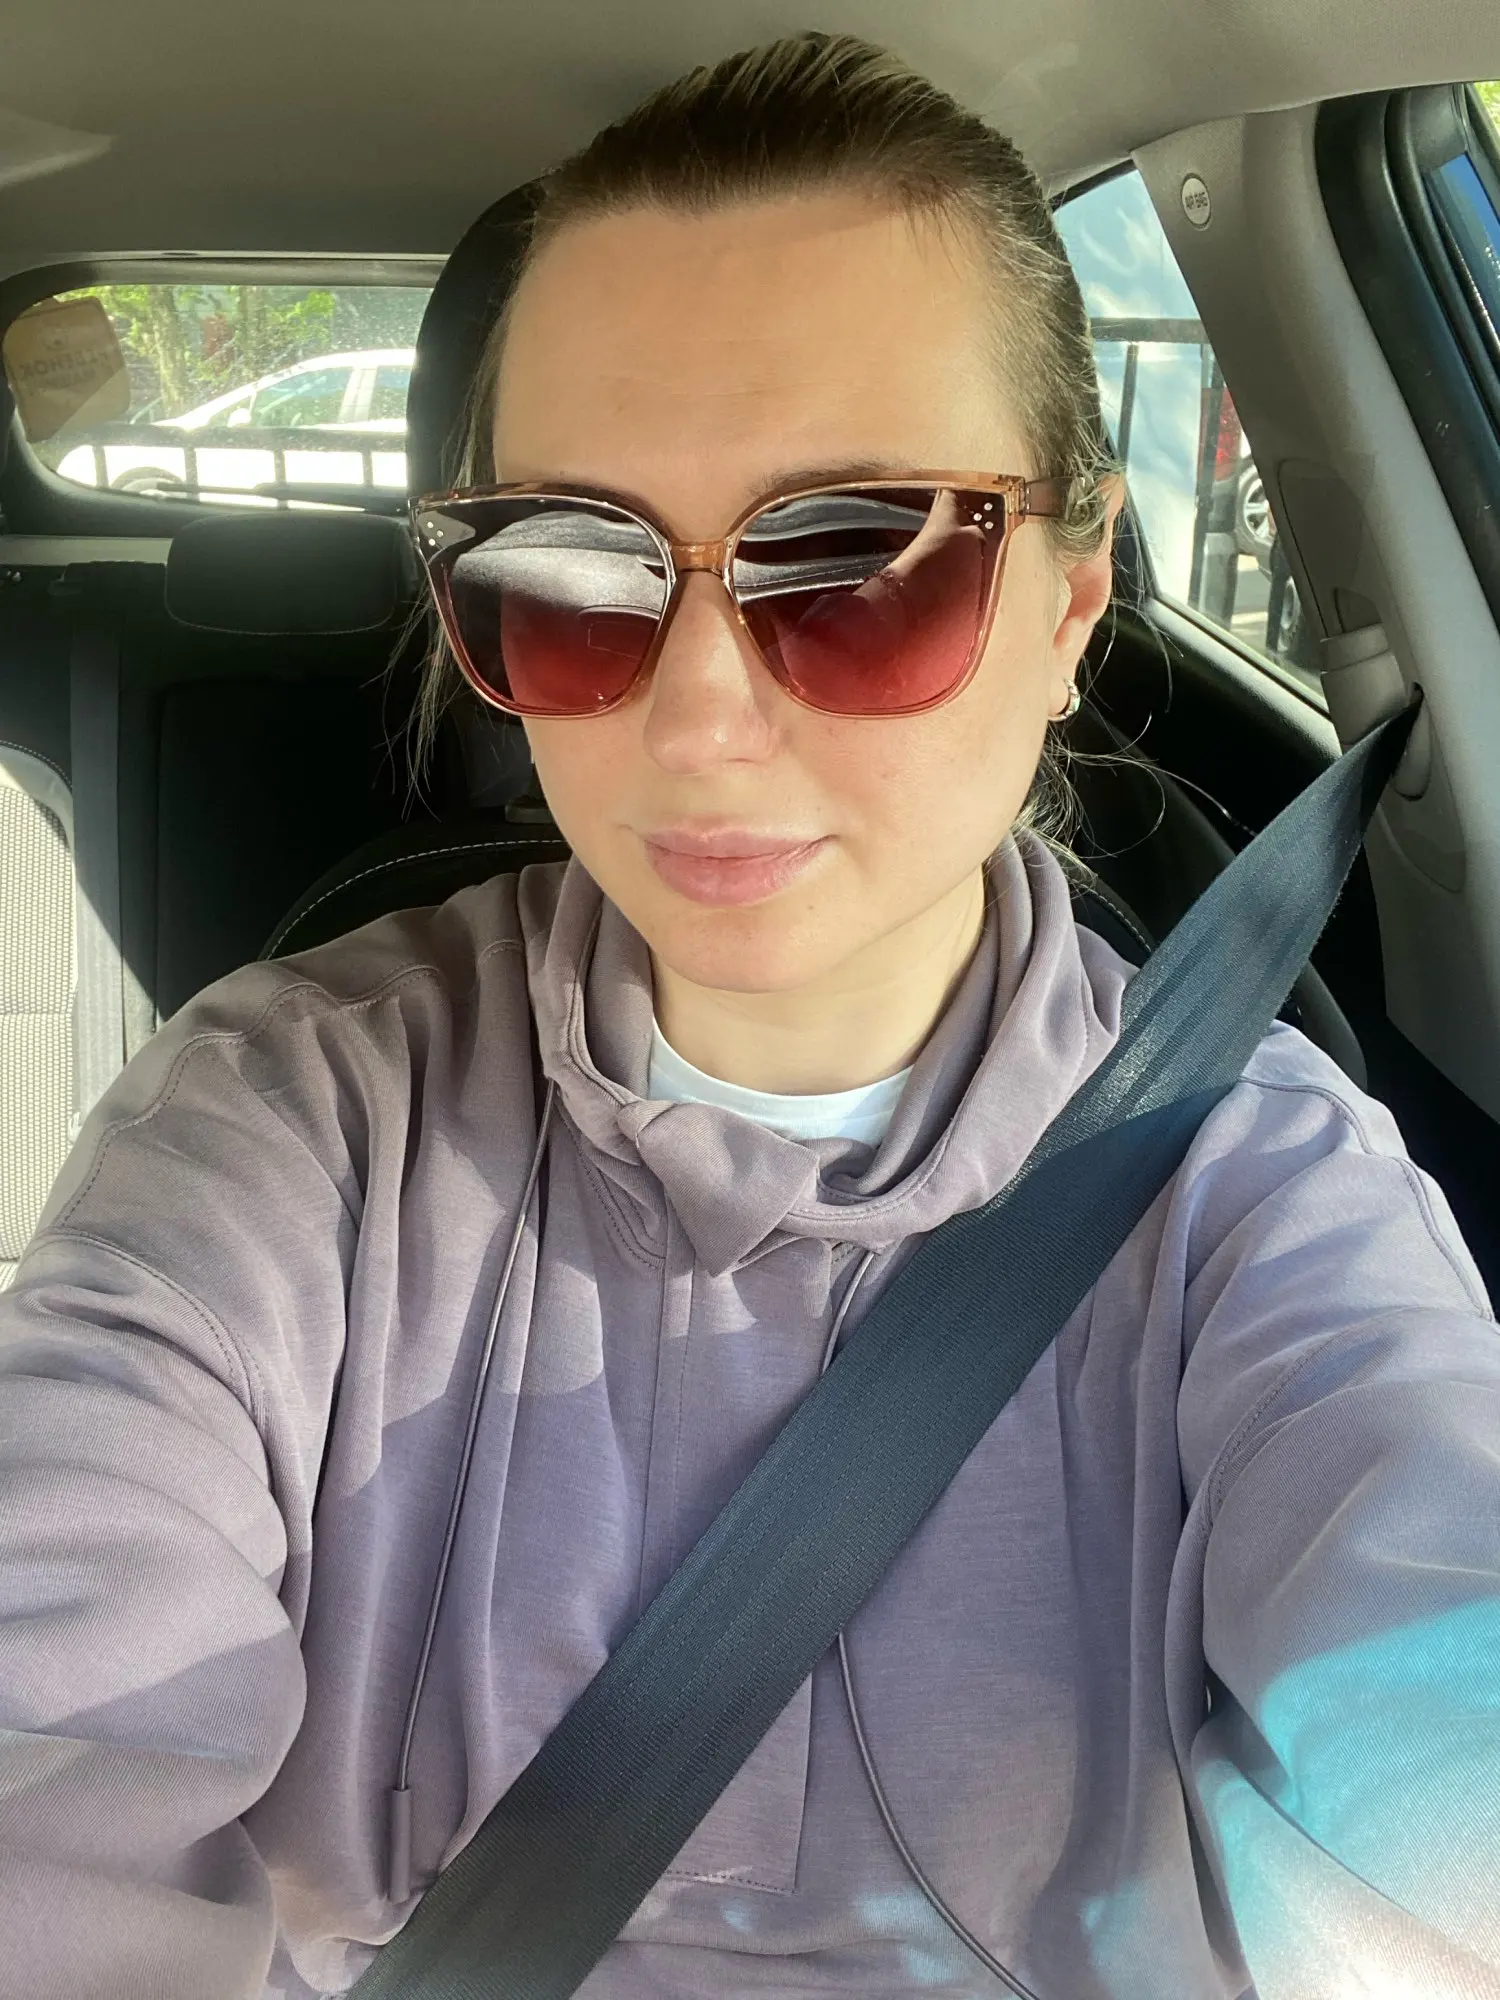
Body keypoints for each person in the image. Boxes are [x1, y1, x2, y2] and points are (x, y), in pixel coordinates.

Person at [1, 31, 1497, 2000]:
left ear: (1068, 607)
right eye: (571, 568)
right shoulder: (283, 1123)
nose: (700, 718)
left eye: (861, 562)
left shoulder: (1259, 1190)